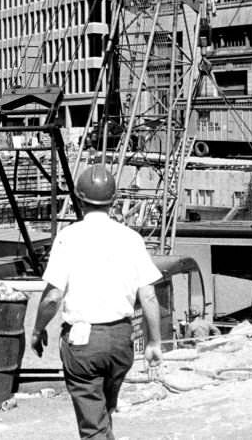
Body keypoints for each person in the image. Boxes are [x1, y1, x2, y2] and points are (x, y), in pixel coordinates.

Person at [30, 163, 163, 439]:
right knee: (103, 415)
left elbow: (53, 296)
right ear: (113, 202)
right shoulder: (132, 238)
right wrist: (154, 342)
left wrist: (37, 329)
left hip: (83, 344)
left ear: (79, 199)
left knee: (93, 426)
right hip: (120, 341)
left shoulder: (68, 238)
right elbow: (148, 295)